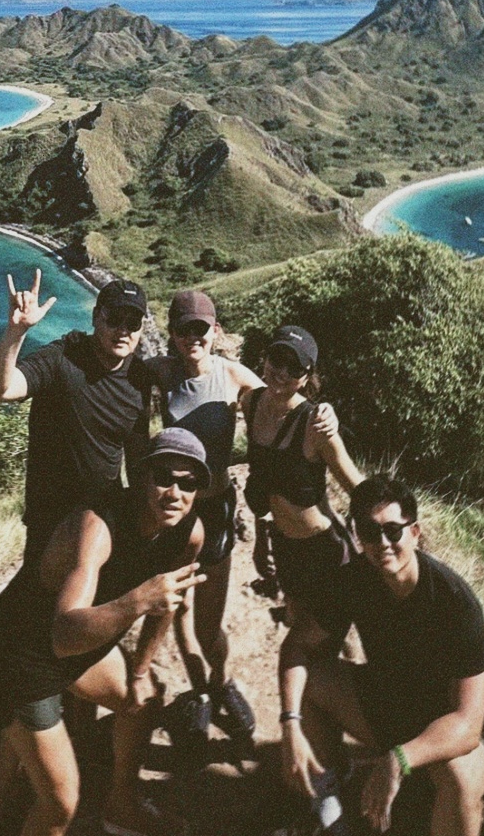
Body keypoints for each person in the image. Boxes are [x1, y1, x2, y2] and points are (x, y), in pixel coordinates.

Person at [0, 429, 212, 836]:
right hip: (20, 655)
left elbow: (165, 605)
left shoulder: (189, 534)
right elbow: (63, 635)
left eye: (188, 483)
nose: (175, 493)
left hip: (80, 647)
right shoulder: (97, 527)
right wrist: (137, 601)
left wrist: (140, 671)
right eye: (163, 478)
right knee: (60, 806)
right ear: (142, 478)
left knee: (143, 700)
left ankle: (121, 806)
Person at [144, 296, 339, 747]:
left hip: (215, 508)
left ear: (215, 331)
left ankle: (221, 679)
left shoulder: (233, 376)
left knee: (207, 623)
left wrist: (323, 412)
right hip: (174, 511)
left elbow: (284, 398)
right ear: (172, 333)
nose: (193, 338)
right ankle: (200, 691)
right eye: (184, 329)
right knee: (176, 607)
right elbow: (113, 368)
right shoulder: (160, 371)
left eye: (201, 329)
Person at [279, 473, 484, 836]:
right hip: (385, 705)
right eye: (369, 531)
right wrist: (290, 724)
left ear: (415, 532)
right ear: (358, 536)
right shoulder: (353, 579)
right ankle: (328, 805)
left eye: (393, 531)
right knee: (309, 679)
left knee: (462, 778)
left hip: (439, 727)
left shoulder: (454, 602)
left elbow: (468, 724)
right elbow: (298, 646)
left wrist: (400, 758)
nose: (382, 543)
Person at [0, 269, 151, 562]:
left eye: (132, 322)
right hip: (50, 520)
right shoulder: (62, 357)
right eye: (114, 319)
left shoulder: (139, 377)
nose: (123, 330)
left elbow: (137, 456)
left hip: (104, 518)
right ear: (96, 317)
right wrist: (15, 333)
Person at [243, 323, 363, 636]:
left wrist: (393, 536)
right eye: (278, 359)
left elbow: (357, 487)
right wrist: (261, 540)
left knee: (331, 639)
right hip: (284, 547)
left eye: (295, 367)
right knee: (298, 627)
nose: (282, 372)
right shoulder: (251, 404)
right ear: (266, 357)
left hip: (324, 551)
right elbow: (261, 477)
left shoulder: (316, 425)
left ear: (307, 377)